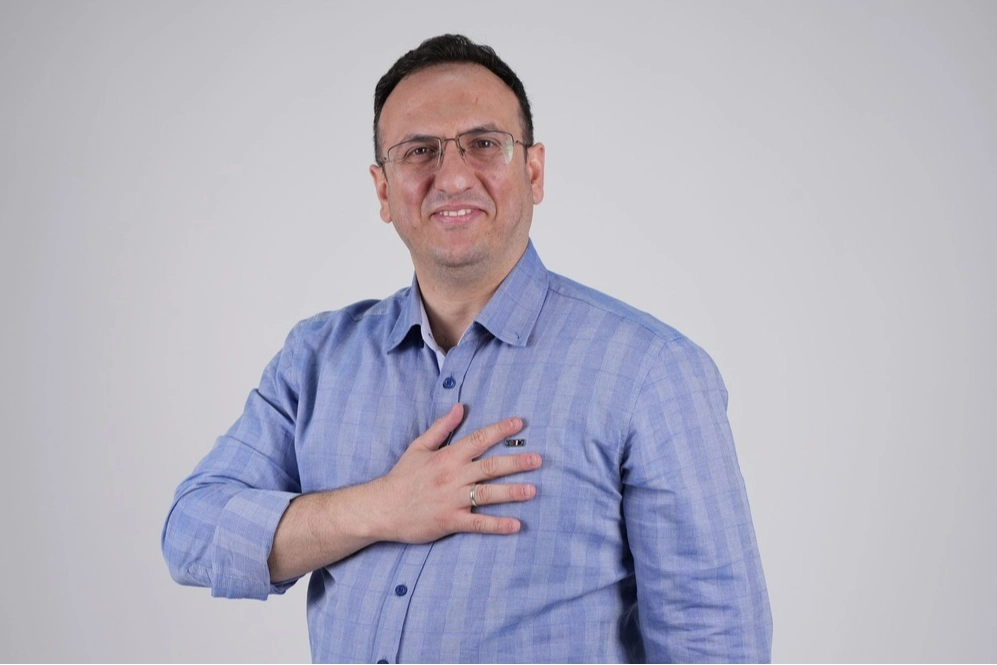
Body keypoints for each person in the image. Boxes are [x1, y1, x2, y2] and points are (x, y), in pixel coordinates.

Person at [162, 33, 773, 664]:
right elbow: (190, 533)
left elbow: (716, 642)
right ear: (382, 190)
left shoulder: (652, 372)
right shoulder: (316, 357)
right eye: (419, 151)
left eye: (483, 144)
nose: (452, 177)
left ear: (533, 172)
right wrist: (381, 507)